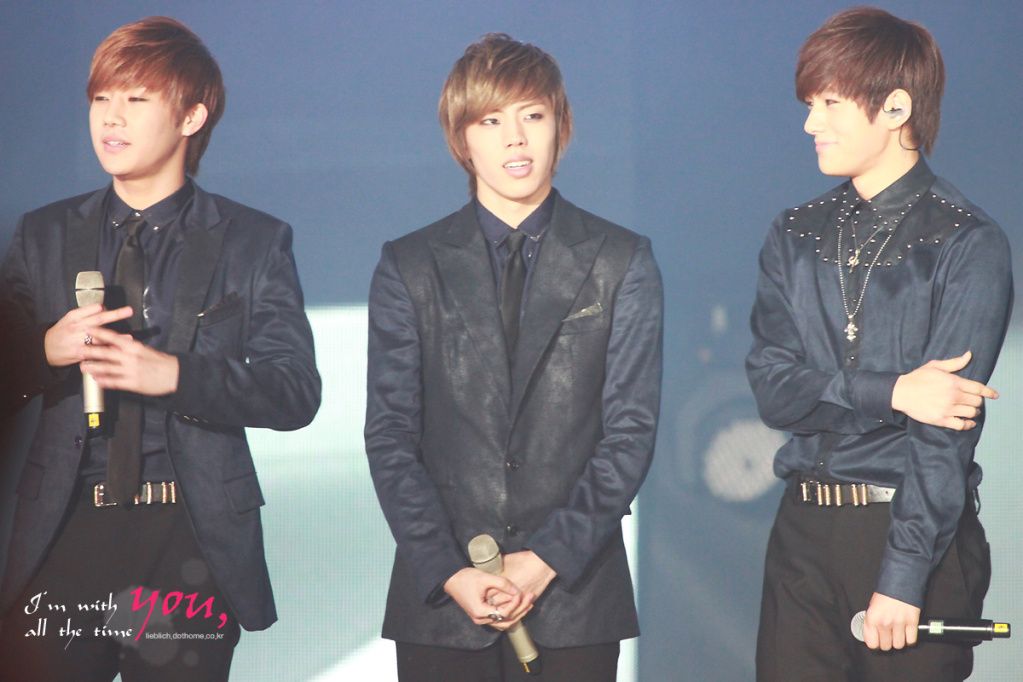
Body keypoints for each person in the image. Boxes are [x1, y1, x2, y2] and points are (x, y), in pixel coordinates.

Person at [0, 17, 320, 681]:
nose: (110, 118)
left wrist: (175, 374)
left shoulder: (253, 241)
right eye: (100, 98)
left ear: (191, 117)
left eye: (136, 99)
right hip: (64, 534)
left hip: (186, 539)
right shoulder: (43, 234)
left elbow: (293, 391)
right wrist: (46, 349)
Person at [364, 33, 662, 682]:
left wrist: (545, 559)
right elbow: (389, 435)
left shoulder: (620, 259)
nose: (515, 139)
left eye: (532, 115)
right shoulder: (410, 265)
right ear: (461, 138)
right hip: (443, 603)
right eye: (490, 121)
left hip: (576, 597)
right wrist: (449, 570)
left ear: (562, 126)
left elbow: (630, 433)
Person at [746, 7, 1012, 681]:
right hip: (803, 532)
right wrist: (892, 391)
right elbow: (773, 390)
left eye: (829, 104)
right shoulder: (794, 233)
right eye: (809, 104)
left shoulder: (966, 242)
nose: (810, 123)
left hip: (909, 531)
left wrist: (903, 574)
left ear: (895, 107)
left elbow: (943, 435)